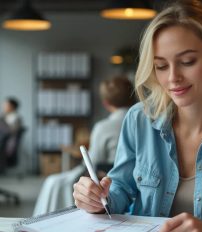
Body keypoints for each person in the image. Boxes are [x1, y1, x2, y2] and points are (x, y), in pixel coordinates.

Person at [73, 0, 202, 232]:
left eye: (187, 62)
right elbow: (120, 188)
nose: (173, 78)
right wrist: (97, 199)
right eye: (161, 66)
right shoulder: (138, 119)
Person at [33, 75, 136, 215]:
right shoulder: (144, 122)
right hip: (126, 183)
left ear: (105, 103)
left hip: (107, 179)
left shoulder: (104, 126)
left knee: (55, 182)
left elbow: (92, 161)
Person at [0, 97, 22, 172]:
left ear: (12, 106)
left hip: (8, 142)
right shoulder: (4, 116)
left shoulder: (16, 118)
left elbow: (12, 132)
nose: (4, 107)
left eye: (6, 105)